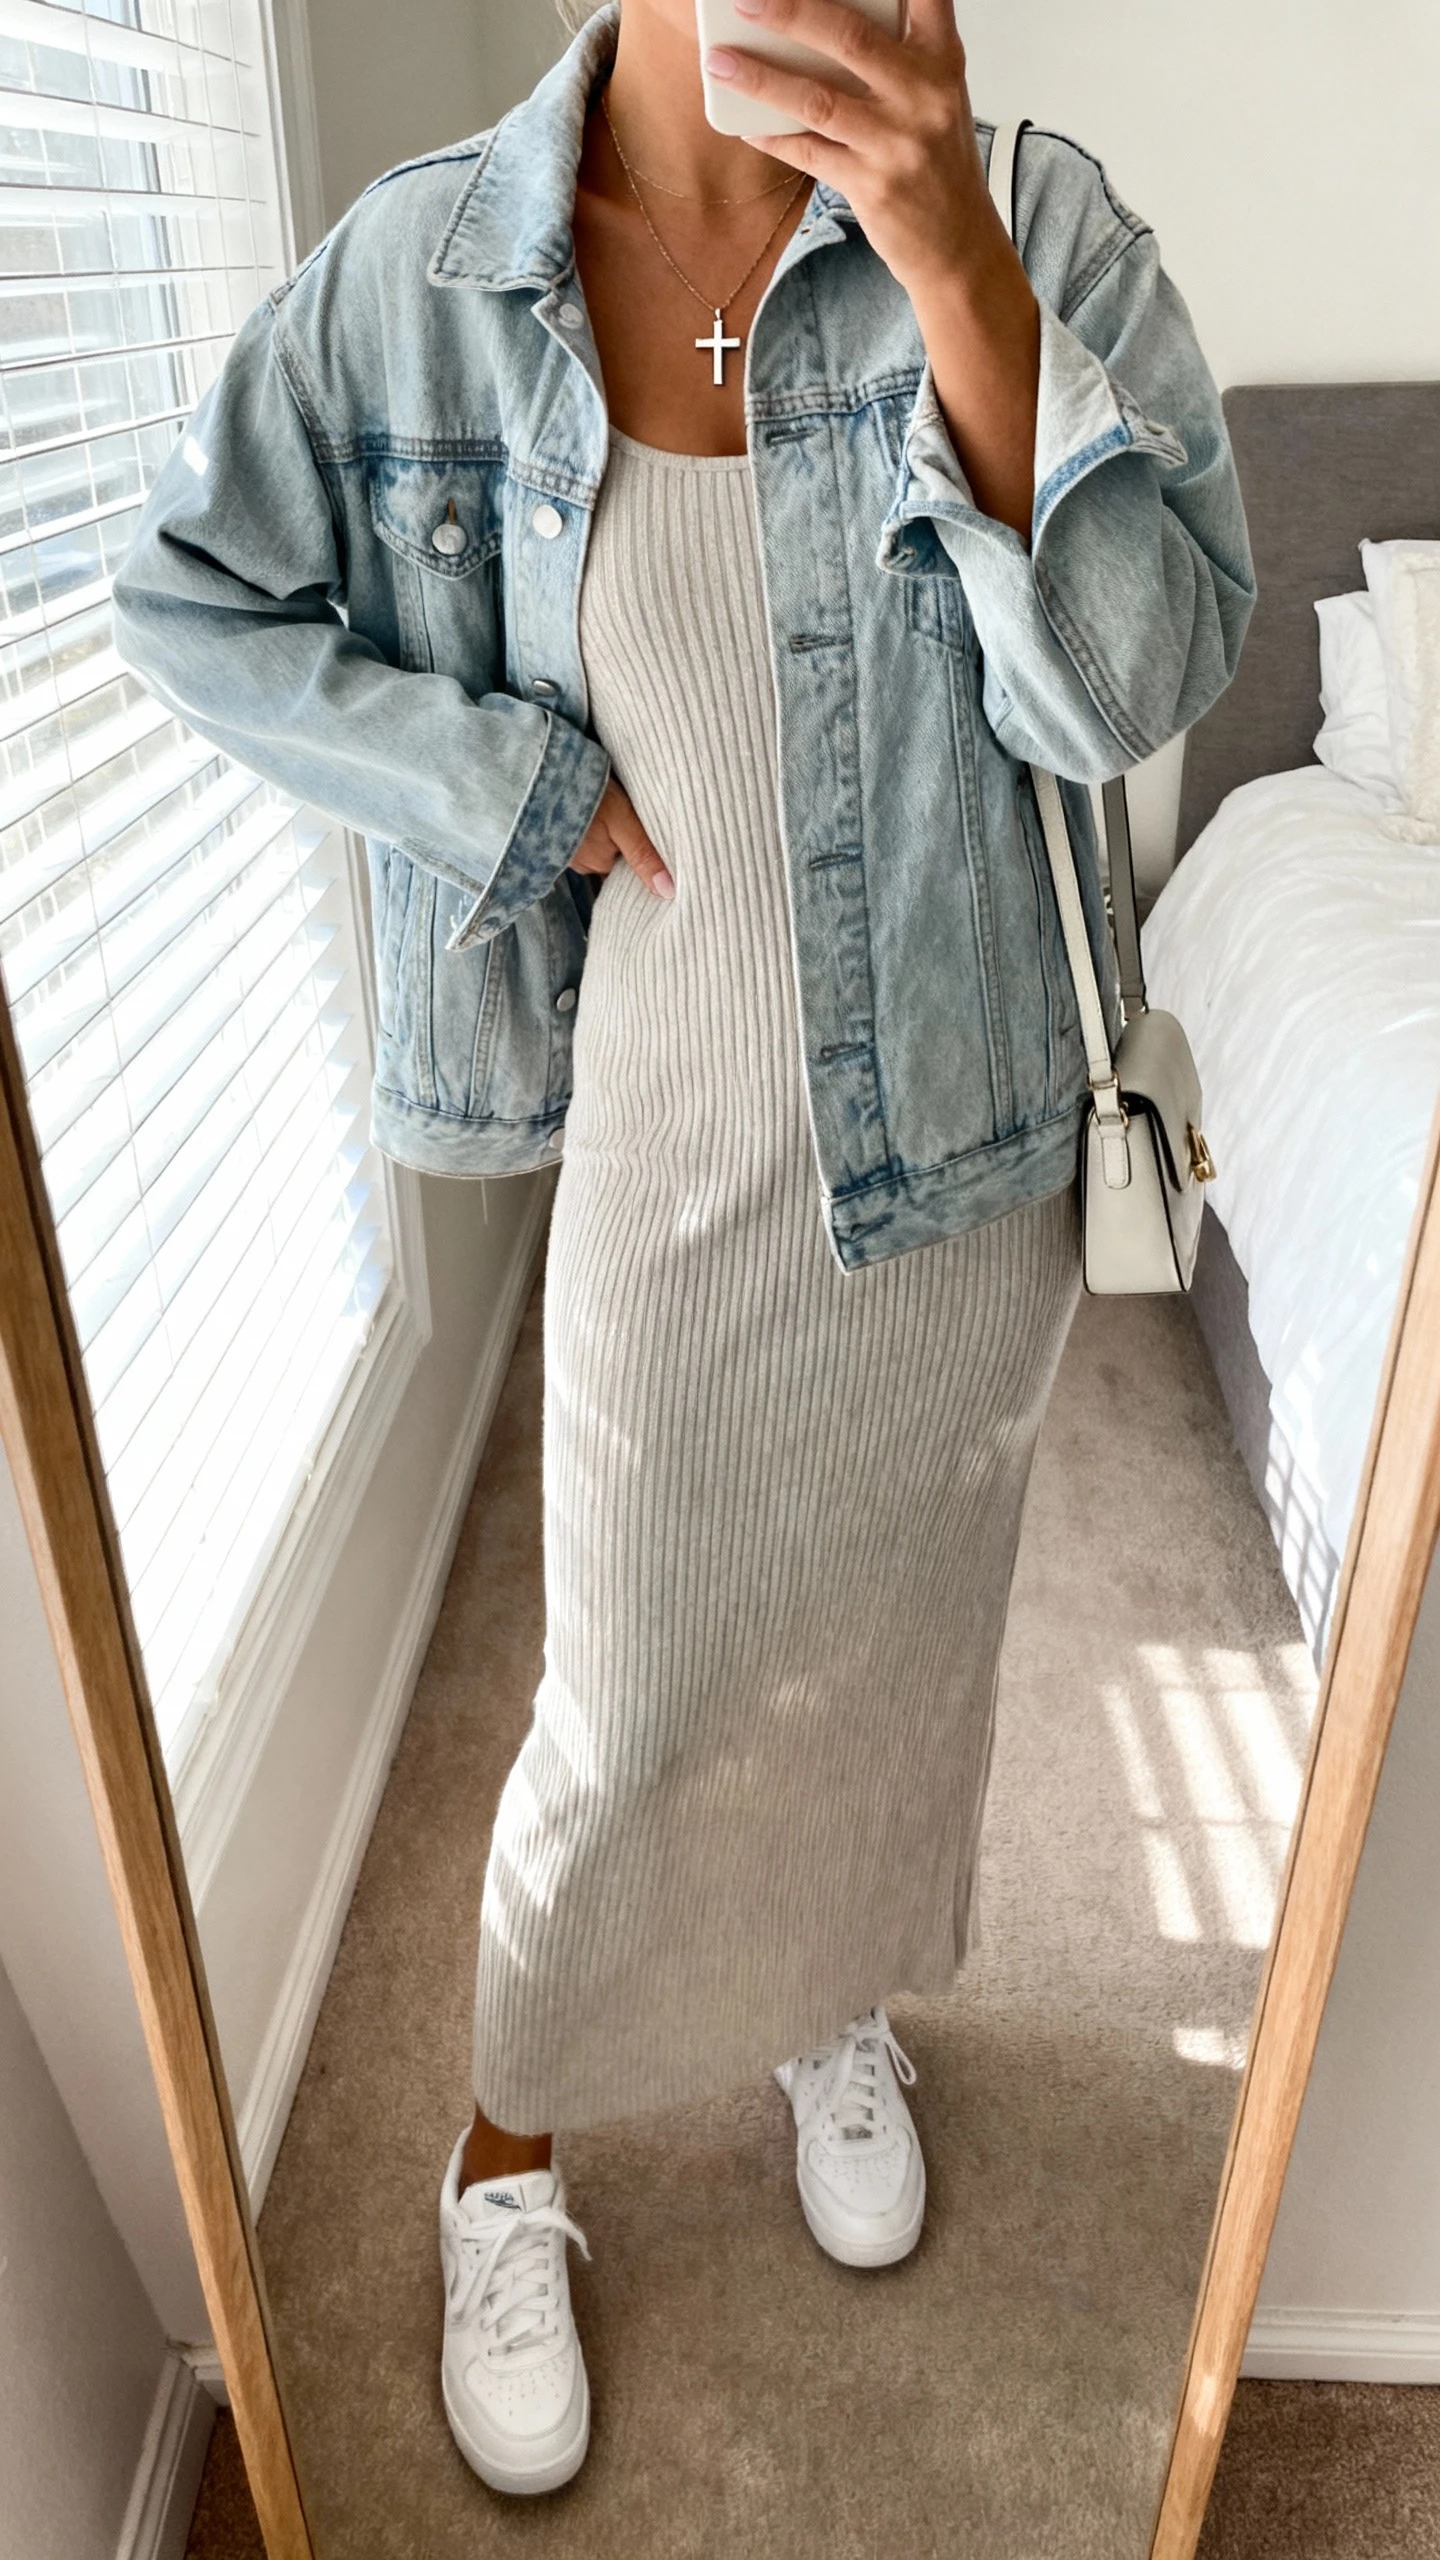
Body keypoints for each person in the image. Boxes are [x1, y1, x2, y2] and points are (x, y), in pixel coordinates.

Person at [113, 0, 1253, 2501]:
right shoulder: (428, 277)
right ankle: (502, 2154)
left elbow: (1144, 682)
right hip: (654, 1136)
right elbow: (183, 592)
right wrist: (499, 779)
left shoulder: (1039, 225)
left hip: (960, 1154)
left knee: (886, 1651)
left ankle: (824, 1991)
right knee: (626, 1708)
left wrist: (954, 259)